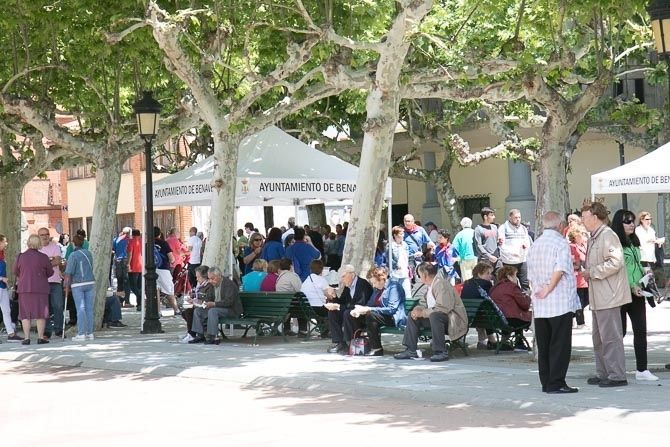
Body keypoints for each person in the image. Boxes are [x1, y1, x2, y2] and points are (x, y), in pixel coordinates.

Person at [527, 211, 581, 394]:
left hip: (541, 304)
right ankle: (556, 382)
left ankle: (546, 381)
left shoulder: (535, 244)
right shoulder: (560, 243)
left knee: (545, 345)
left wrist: (538, 290)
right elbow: (560, 269)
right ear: (560, 226)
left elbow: (530, 274)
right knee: (560, 344)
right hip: (559, 302)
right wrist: (549, 288)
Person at [581, 202, 631, 388]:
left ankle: (617, 375)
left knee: (610, 338)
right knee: (599, 339)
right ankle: (603, 373)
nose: (582, 221)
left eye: (584, 217)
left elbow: (615, 262)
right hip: (598, 296)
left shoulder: (608, 235)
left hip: (609, 295)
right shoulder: (594, 237)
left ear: (595, 217)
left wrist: (592, 272)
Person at [611, 209, 659, 381]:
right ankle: (614, 368)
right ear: (619, 223)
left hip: (638, 291)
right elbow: (621, 269)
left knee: (640, 330)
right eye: (627, 221)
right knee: (620, 332)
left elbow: (636, 265)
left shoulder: (633, 242)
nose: (631, 224)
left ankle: (642, 369)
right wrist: (632, 285)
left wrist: (646, 273)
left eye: (632, 221)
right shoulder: (615, 243)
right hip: (622, 292)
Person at [394, 262, 468, 362]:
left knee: (435, 315)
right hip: (438, 319)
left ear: (425, 275)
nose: (419, 277)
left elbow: (443, 308)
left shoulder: (441, 284)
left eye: (419, 275)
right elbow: (424, 303)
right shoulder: (430, 285)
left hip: (453, 322)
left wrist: (423, 313)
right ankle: (410, 350)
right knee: (412, 315)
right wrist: (417, 310)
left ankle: (440, 352)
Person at [350, 266, 406, 356]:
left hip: (393, 317)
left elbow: (391, 309)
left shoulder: (394, 287)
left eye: (375, 282)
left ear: (382, 279)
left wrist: (369, 309)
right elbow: (370, 304)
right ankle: (355, 345)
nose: (373, 285)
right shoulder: (377, 289)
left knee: (371, 315)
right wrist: (360, 310)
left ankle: (377, 349)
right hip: (379, 316)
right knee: (351, 314)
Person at [14, 234, 54, 345]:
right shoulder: (44, 257)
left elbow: (15, 271)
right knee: (41, 313)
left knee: (25, 314)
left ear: (28, 243)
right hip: (40, 288)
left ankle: (26, 338)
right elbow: (50, 272)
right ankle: (40, 337)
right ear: (39, 244)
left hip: (24, 288)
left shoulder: (20, 256)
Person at [325, 264, 373, 354]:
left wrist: (339, 307)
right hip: (350, 313)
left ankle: (349, 342)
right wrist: (334, 297)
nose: (342, 280)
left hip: (363, 315)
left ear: (352, 274)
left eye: (343, 276)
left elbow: (359, 304)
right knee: (333, 312)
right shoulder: (348, 287)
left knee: (347, 313)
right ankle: (339, 342)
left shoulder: (363, 284)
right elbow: (342, 302)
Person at [189, 267, 243, 345]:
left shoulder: (228, 284)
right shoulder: (212, 285)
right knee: (198, 311)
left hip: (231, 310)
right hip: (217, 308)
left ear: (219, 276)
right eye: (209, 278)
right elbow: (209, 298)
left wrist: (214, 304)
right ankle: (200, 335)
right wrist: (200, 302)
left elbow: (229, 302)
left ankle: (213, 336)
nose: (210, 281)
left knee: (213, 311)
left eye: (212, 278)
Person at [489, 265, 532, 350]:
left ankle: (505, 341)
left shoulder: (494, 288)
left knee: (511, 313)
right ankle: (519, 342)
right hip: (511, 320)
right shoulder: (512, 287)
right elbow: (525, 304)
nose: (516, 278)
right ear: (509, 276)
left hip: (497, 320)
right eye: (515, 275)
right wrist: (527, 296)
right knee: (521, 316)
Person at [63, 234, 96, 341]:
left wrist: (66, 285)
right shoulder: (88, 253)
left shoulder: (73, 255)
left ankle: (81, 333)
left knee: (80, 308)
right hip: (90, 282)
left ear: (73, 243)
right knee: (89, 308)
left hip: (77, 283)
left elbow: (69, 272)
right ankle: (90, 333)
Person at [459, 262, 497, 349]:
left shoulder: (467, 283)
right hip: (483, 317)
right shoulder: (487, 284)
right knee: (487, 311)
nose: (490, 276)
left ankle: (482, 341)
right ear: (479, 274)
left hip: (467, 316)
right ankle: (490, 339)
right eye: (487, 273)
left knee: (482, 311)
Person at [37, 227, 64, 339]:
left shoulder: (55, 246)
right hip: (41, 282)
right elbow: (36, 265)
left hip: (55, 281)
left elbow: (57, 261)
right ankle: (47, 331)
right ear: (38, 236)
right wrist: (50, 260)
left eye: (47, 234)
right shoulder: (36, 248)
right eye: (42, 235)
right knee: (44, 308)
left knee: (58, 305)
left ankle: (59, 330)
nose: (45, 236)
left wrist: (44, 263)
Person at [497, 209, 532, 291]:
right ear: (510, 217)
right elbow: (501, 245)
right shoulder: (503, 228)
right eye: (516, 217)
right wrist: (512, 254)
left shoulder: (523, 228)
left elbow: (527, 242)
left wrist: (525, 247)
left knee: (525, 283)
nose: (518, 219)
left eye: (519, 217)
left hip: (522, 260)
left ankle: (525, 297)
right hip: (509, 261)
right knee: (510, 284)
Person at [180, 265, 213, 344]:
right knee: (185, 312)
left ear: (204, 277)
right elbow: (199, 296)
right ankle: (192, 333)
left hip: (207, 308)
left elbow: (207, 300)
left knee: (190, 312)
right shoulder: (201, 285)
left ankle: (193, 334)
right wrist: (193, 296)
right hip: (201, 306)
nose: (197, 279)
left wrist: (195, 301)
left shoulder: (209, 286)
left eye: (198, 277)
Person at [154, 226, 180, 315]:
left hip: (151, 270)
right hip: (163, 269)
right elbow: (171, 258)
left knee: (156, 291)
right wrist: (172, 262)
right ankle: (176, 310)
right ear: (159, 234)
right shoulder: (164, 243)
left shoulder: (147, 244)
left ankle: (158, 311)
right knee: (169, 290)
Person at [567, 225, 589, 328]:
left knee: (586, 299)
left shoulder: (584, 245)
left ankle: (572, 315)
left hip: (585, 277)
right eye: (581, 234)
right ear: (575, 236)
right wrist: (578, 265)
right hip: (577, 277)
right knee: (580, 300)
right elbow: (572, 261)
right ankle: (580, 321)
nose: (583, 237)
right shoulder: (572, 247)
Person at [0, 234, 21, 342]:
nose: (6, 243)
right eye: (4, 241)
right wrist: (1, 278)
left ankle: (11, 334)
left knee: (7, 310)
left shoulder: (2, 255)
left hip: (3, 287)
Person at [473, 207, 500, 272]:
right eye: (492, 215)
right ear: (485, 217)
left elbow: (497, 242)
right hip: (485, 260)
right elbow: (478, 246)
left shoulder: (494, 227)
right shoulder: (478, 229)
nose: (494, 217)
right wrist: (489, 256)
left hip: (496, 259)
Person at [389, 226, 412, 300]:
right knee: (395, 294)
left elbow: (406, 257)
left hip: (404, 272)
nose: (403, 235)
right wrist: (395, 266)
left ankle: (407, 306)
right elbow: (388, 259)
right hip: (395, 274)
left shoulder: (405, 244)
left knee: (407, 293)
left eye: (403, 233)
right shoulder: (391, 246)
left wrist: (414, 255)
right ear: (395, 235)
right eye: (401, 234)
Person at [112, 227, 132, 307]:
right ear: (128, 233)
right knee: (127, 282)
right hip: (125, 260)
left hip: (117, 261)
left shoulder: (116, 239)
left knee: (119, 282)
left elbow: (113, 250)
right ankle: (127, 302)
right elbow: (129, 251)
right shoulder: (128, 240)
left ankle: (119, 301)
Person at [127, 229, 143, 311]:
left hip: (134, 265)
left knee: (133, 285)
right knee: (139, 286)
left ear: (132, 234)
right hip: (141, 266)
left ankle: (140, 297)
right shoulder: (142, 242)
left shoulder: (131, 241)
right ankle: (139, 304)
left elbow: (130, 253)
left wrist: (128, 264)